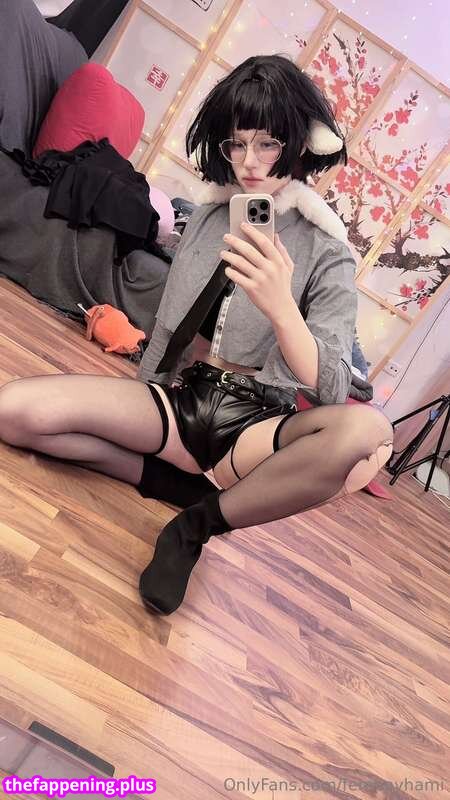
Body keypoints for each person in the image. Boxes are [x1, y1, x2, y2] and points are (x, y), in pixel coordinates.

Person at [0, 55, 394, 616]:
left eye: (268, 144)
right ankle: (174, 483)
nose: (249, 163)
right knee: (14, 412)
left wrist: (282, 307)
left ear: (300, 144)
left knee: (369, 431)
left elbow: (331, 388)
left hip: (258, 426)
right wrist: (142, 403)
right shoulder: (209, 219)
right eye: (237, 144)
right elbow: (168, 330)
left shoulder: (327, 252)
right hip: (183, 401)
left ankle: (196, 525)